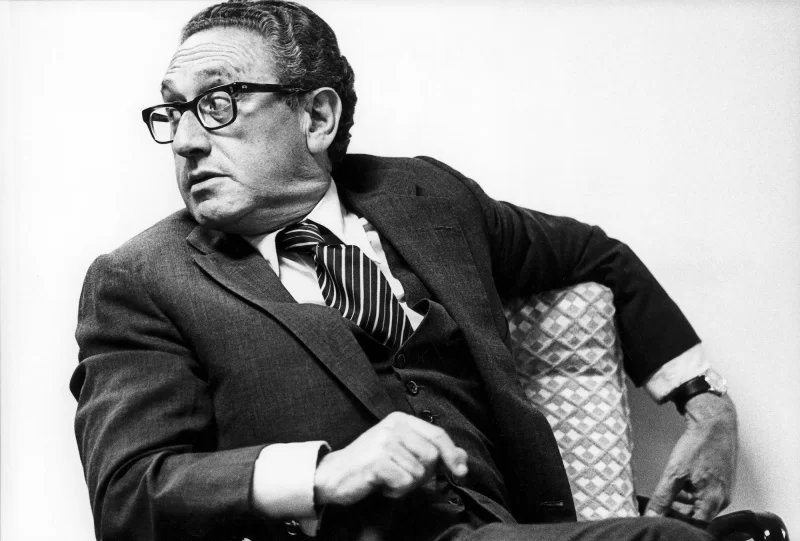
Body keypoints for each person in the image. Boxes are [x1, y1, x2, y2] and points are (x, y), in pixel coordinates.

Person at [70, 1, 737, 540]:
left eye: (218, 102)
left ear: (317, 117)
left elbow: (596, 255)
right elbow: (127, 497)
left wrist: (708, 409)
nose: (187, 140)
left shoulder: (430, 199)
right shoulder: (141, 279)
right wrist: (320, 474)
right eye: (174, 111)